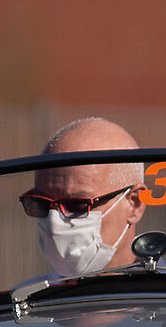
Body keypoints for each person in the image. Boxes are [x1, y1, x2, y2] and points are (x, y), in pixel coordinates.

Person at [18, 117, 147, 280]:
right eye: (42, 204)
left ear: (134, 204)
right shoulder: (20, 302)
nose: (54, 222)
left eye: (78, 204)